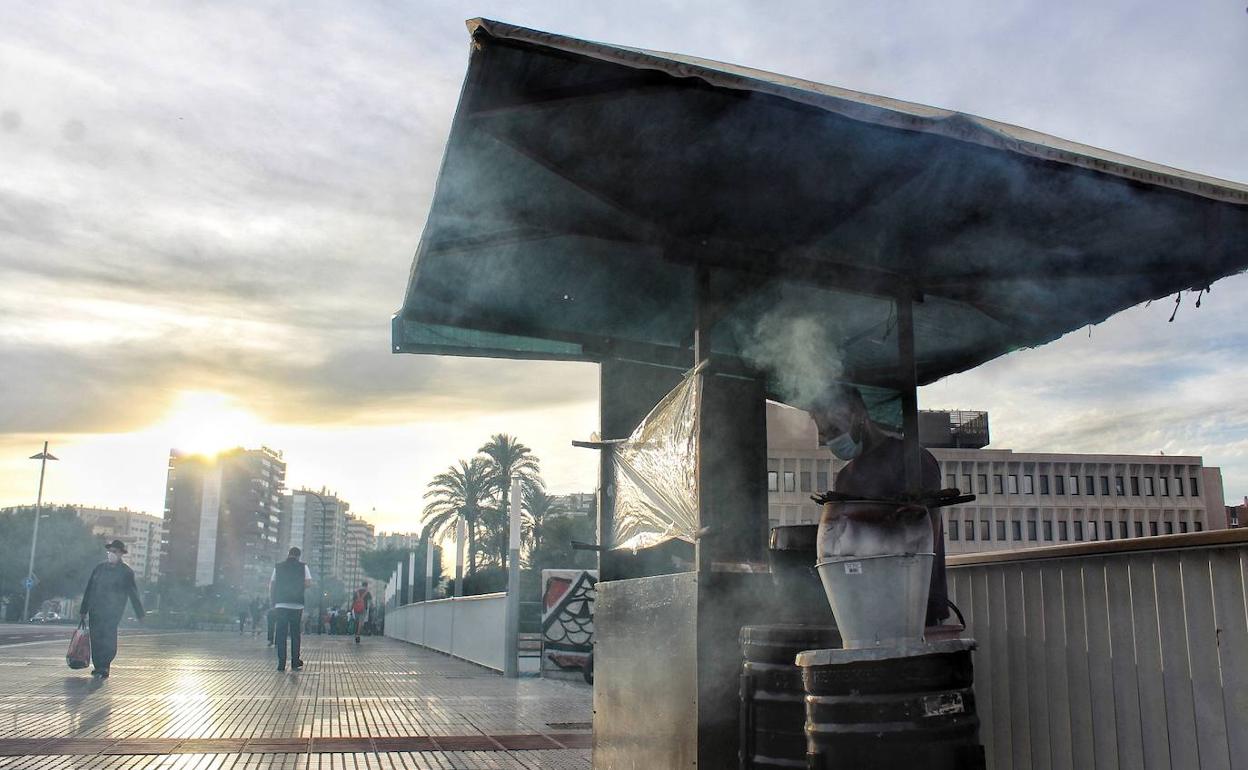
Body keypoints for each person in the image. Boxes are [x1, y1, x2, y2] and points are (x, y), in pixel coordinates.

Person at [810, 385, 949, 627]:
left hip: (915, 603)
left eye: (834, 430)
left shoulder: (913, 459)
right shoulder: (846, 477)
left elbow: (927, 535)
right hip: (863, 603)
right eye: (825, 436)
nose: (832, 441)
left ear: (859, 414)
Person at [79, 539, 145, 678]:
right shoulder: (99, 568)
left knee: (108, 638)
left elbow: (133, 594)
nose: (111, 554)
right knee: (96, 639)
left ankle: (105, 666)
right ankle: (98, 667)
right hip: (95, 610)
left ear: (121, 553)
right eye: (110, 551)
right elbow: (90, 589)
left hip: (113, 612)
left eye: (114, 552)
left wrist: (140, 614)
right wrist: (83, 609)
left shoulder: (126, 572)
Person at [269, 546, 312, 672]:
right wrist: (298, 586)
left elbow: (272, 584)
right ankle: (294, 661)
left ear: (288, 554)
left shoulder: (278, 566)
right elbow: (309, 583)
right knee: (295, 634)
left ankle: (281, 663)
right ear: (299, 556)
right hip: (296, 604)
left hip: (281, 604)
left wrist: (273, 600)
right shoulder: (303, 566)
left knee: (281, 634)